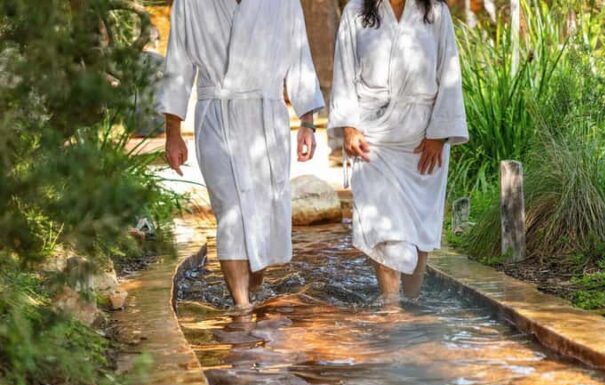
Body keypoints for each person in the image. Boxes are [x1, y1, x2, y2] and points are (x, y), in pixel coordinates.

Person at [159, 0, 324, 314]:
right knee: (231, 212)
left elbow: (299, 55)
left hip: (267, 118)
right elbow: (178, 61)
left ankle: (254, 289)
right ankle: (242, 305)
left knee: (264, 213)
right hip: (216, 114)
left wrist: (307, 122)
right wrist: (173, 131)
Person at [329, 0, 468, 304]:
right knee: (383, 226)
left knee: (420, 224)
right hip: (373, 136)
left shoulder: (435, 12)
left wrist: (439, 134)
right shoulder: (357, 11)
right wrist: (349, 126)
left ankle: (413, 299)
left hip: (422, 137)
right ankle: (391, 306)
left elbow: (449, 70)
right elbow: (343, 68)